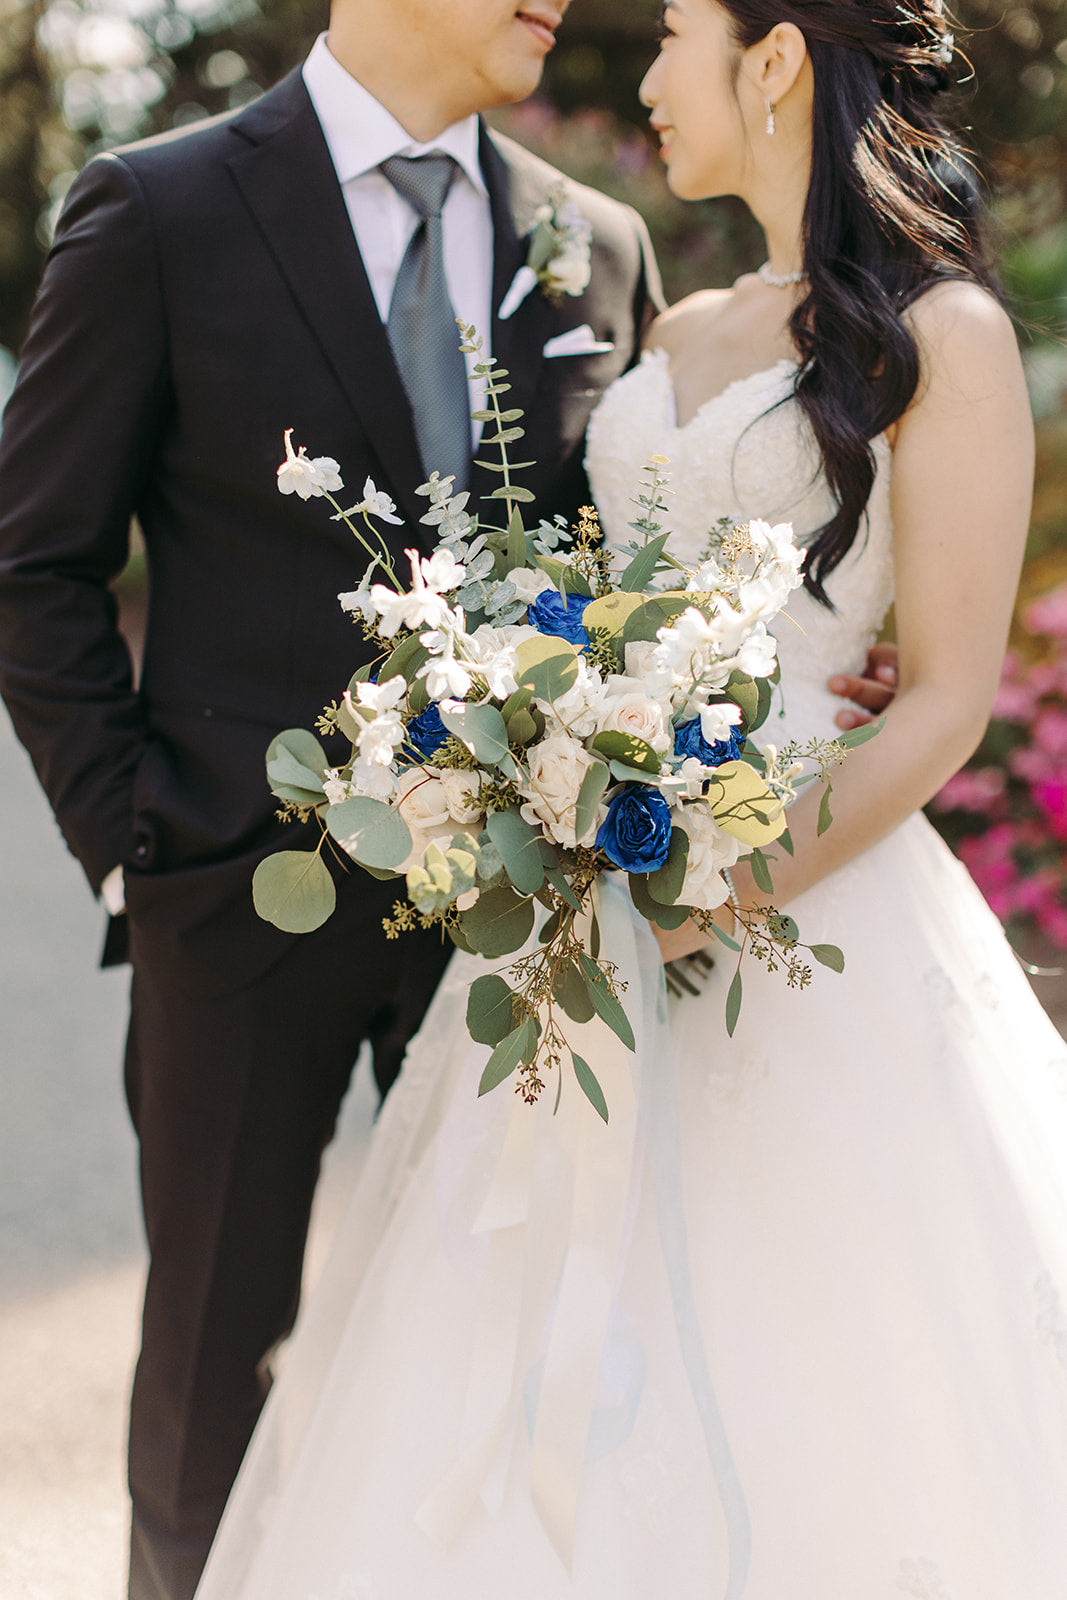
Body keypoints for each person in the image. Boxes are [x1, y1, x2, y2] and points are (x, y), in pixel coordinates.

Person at [0, 2, 890, 1596]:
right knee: (213, 1378)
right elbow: (35, 563)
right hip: (236, 903)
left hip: (531, 936)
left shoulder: (596, 243)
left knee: (513, 1355)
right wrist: (136, 851)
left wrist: (784, 690)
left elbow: (646, 562)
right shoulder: (161, 209)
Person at [187, 2, 1067, 1598]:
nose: (649, 79)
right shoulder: (683, 329)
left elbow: (940, 698)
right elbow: (603, 611)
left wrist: (720, 888)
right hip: (580, 918)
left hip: (805, 902)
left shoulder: (945, 337)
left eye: (673, 36)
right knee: (502, 1352)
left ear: (779, 58)